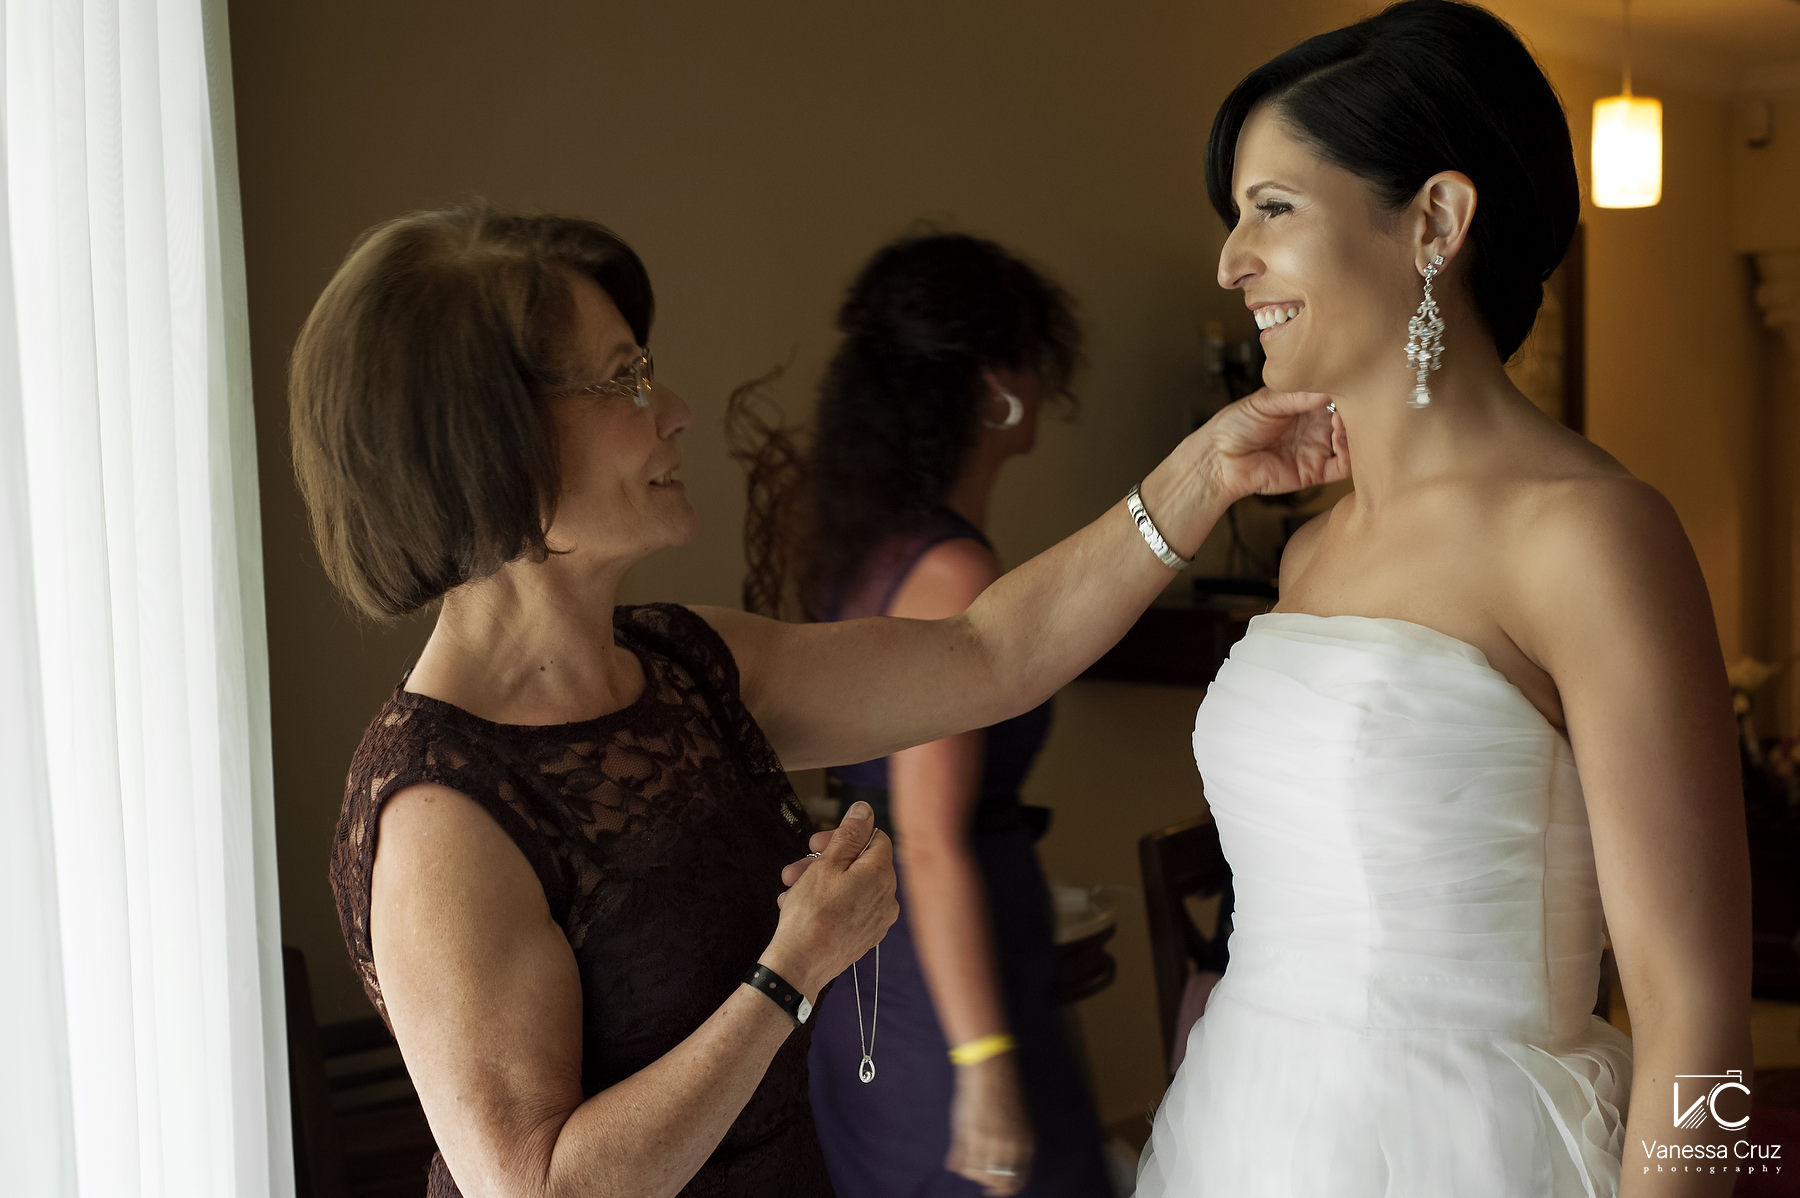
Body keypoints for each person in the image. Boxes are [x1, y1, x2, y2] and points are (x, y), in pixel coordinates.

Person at [290, 205, 1347, 1198]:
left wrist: (1209, 469)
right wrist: (790, 969)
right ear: (494, 443)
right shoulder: (440, 809)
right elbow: (538, 1184)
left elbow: (990, 652)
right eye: (624, 380)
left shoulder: (691, 667)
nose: (675, 411)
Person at [1135, 4, 1752, 1197]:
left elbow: (1700, 1016)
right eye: (1234, 216)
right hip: (1245, 1134)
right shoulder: (1310, 555)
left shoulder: (1589, 534)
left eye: (1272, 209)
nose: (1229, 260)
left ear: (1436, 221)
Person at [736, 232, 1111, 1196]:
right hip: (936, 996)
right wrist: (983, 1064)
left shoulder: (879, 549)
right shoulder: (948, 574)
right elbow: (932, 839)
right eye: (1033, 353)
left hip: (890, 970)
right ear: (997, 387)